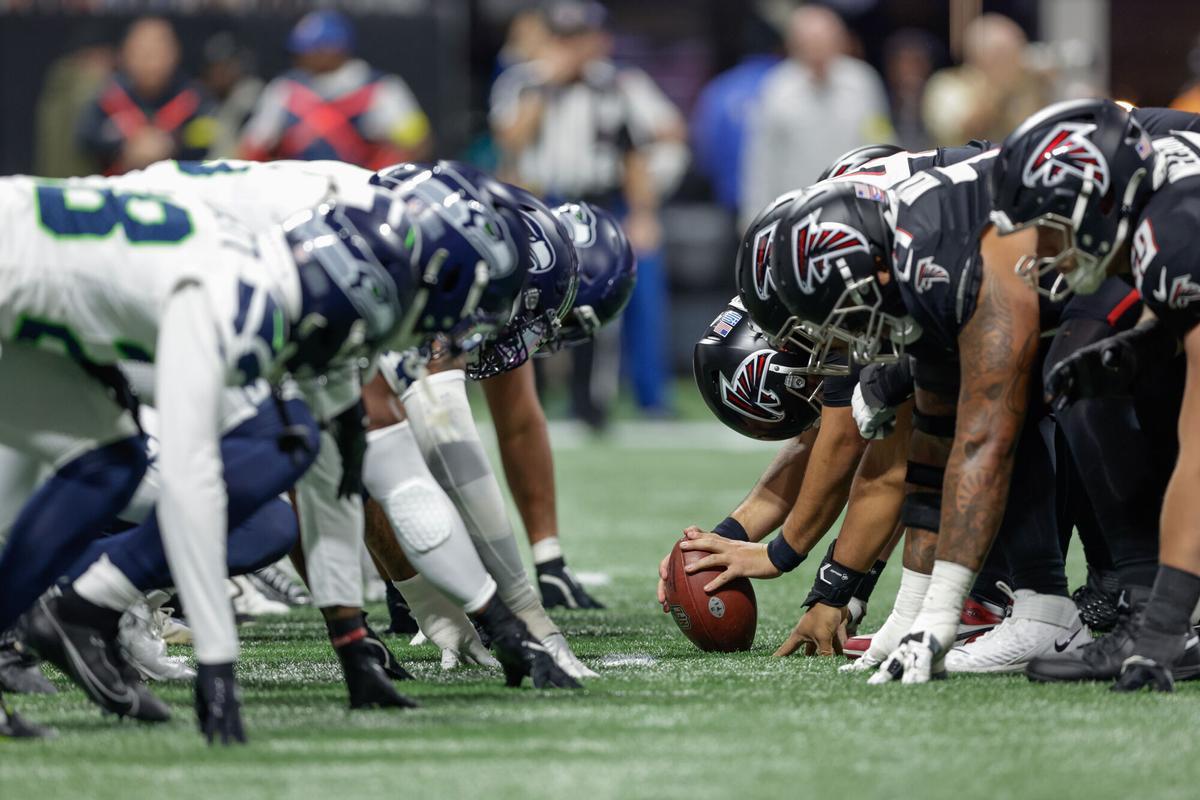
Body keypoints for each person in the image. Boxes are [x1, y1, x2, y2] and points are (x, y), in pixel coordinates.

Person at [990, 100, 1200, 690]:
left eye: (1050, 225)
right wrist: (1146, 345)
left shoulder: (1176, 226)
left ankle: (1164, 616)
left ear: (1100, 201)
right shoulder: (1147, 184)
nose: (1042, 249)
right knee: (1101, 373)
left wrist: (1163, 626)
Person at [490, 0, 687, 423]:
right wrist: (546, 86)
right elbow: (510, 140)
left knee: (600, 301)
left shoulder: (616, 85)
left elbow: (635, 153)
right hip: (539, 204)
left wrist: (643, 213)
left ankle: (597, 402)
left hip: (597, 205)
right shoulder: (523, 82)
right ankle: (534, 399)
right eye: (565, 38)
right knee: (530, 304)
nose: (573, 48)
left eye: (580, 38)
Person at [740, 5, 892, 226]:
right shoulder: (776, 89)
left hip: (854, 210)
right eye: (809, 43)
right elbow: (761, 158)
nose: (817, 50)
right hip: (794, 214)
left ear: (840, 42)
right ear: (794, 45)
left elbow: (881, 142)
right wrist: (753, 217)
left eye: (824, 41)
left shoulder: (862, 83)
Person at [240, 10, 431, 168]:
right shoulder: (285, 89)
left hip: (362, 188)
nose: (301, 57)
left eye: (310, 50)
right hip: (298, 188)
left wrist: (382, 177)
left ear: (333, 49)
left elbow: (417, 142)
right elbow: (254, 145)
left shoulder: (380, 89)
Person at [77, 17, 217, 175]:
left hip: (178, 183)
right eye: (142, 52)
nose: (150, 62)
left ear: (174, 53)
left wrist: (172, 143)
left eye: (158, 52)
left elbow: (208, 138)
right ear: (124, 54)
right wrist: (124, 145)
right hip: (118, 183)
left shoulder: (193, 98)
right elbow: (86, 138)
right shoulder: (108, 95)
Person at [922, 13, 1050, 147]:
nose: (1017, 60)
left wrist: (1042, 87)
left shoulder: (1022, 84)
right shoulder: (948, 85)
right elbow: (963, 130)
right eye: (1005, 54)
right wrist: (998, 86)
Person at [201, 33, 263, 159]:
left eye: (225, 67)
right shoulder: (206, 99)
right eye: (215, 67)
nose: (219, 74)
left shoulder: (252, 94)